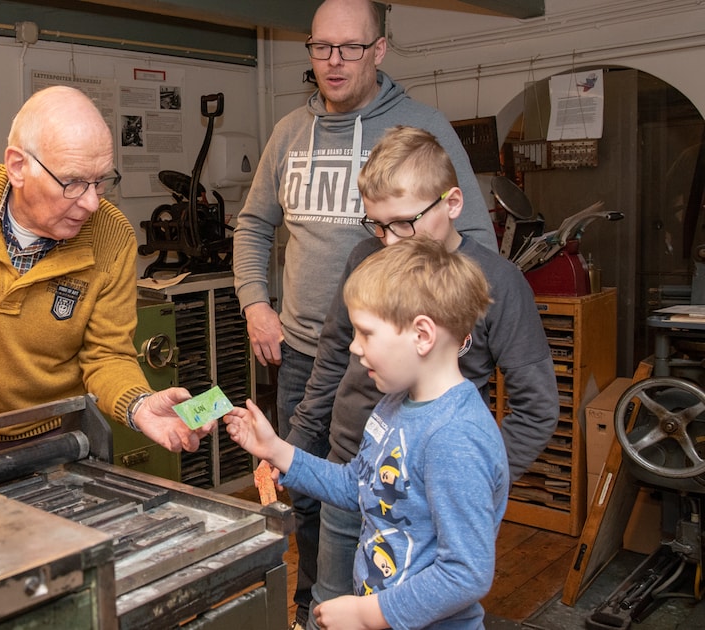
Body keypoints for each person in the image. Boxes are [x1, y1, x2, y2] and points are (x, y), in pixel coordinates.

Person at [230, 0, 497, 615]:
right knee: (314, 494)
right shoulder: (287, 133)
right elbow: (252, 225)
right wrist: (255, 304)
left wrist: (439, 347)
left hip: (395, 359)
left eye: (350, 48)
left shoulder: (422, 126)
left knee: (394, 500)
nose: (334, 61)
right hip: (305, 352)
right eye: (321, 47)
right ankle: (316, 610)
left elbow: (474, 244)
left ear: (379, 49)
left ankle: (379, 606)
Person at [290, 125, 559, 629]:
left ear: (451, 203)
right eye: (377, 226)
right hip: (350, 470)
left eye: (403, 223)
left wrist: (472, 483)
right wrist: (298, 443)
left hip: (424, 498)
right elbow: (332, 356)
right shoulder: (366, 258)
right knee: (328, 606)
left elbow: (537, 408)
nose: (390, 241)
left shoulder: (498, 282)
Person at [0, 85, 213, 464]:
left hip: (58, 435)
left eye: (101, 181)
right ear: (18, 167)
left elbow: (106, 355)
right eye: (73, 182)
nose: (91, 202)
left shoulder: (112, 236)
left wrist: (139, 404)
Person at [224, 237, 508, 630]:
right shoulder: (393, 404)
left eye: (366, 333)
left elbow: (465, 573)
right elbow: (360, 485)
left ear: (422, 335)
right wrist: (276, 449)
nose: (354, 348)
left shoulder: (455, 438)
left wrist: (368, 613)